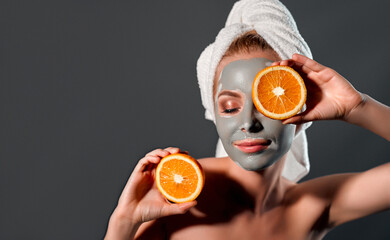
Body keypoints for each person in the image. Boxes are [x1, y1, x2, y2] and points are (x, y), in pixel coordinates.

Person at [104, 1, 390, 239]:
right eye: (229, 107)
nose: (249, 123)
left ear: (302, 112)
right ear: (213, 114)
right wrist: (123, 223)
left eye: (268, 104)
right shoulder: (173, 195)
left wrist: (357, 107)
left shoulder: (313, 207)